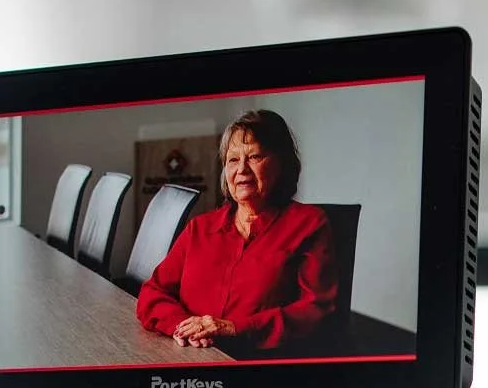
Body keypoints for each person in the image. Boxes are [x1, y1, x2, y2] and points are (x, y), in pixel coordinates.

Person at [134, 109, 339, 357]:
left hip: (260, 368)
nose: (241, 169)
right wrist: (183, 326)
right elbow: (152, 292)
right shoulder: (200, 227)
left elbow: (315, 309)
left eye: (255, 157)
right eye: (232, 160)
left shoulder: (309, 224)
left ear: (282, 164)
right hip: (188, 356)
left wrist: (234, 328)